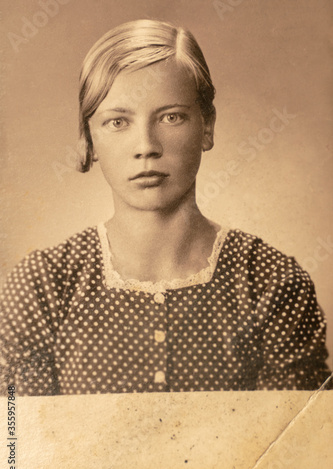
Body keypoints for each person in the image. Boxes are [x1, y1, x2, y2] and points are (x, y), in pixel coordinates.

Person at [0, 19, 331, 396]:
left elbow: (297, 446)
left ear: (206, 126)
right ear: (88, 139)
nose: (146, 145)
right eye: (118, 122)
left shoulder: (270, 283)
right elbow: (16, 446)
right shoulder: (43, 286)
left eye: (171, 117)